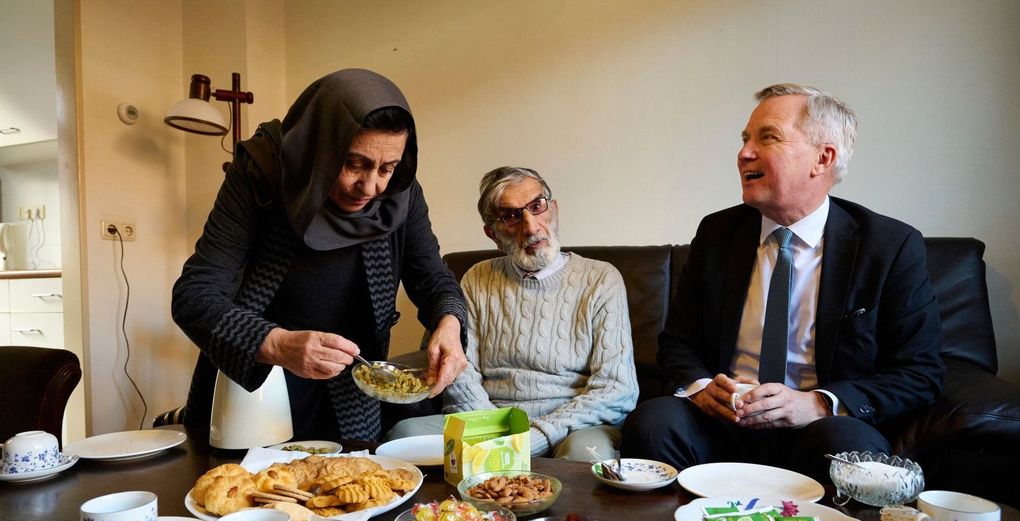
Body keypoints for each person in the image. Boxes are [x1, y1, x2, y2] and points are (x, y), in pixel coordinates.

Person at [621, 83, 944, 480]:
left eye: (767, 137)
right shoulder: (718, 233)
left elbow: (920, 373)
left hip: (818, 429)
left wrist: (821, 404)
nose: (744, 153)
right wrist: (703, 387)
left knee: (846, 448)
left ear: (822, 158)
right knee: (654, 422)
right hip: (724, 423)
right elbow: (678, 342)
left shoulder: (889, 246)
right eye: (745, 140)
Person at [172, 69, 468, 441]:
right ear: (319, 146)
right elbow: (193, 295)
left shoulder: (401, 194)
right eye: (354, 163)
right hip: (258, 380)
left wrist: (449, 322)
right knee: (246, 492)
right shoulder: (260, 173)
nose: (371, 186)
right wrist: (278, 344)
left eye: (386, 168)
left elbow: (433, 279)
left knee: (353, 492)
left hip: (352, 384)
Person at [387, 167, 639, 460]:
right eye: (511, 216)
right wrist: (496, 433)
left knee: (584, 456)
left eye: (537, 206)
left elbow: (616, 388)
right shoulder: (476, 278)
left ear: (553, 209)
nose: (531, 227)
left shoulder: (601, 278)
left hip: (573, 428)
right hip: (488, 421)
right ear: (492, 233)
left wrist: (534, 438)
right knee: (403, 438)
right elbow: (461, 371)